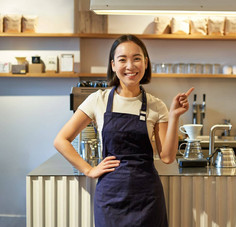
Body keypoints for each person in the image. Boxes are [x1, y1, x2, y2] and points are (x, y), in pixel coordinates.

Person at [54, 34, 194, 227]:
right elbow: (61, 140)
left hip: (147, 198)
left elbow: (167, 157)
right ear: (113, 65)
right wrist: (88, 169)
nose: (130, 66)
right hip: (110, 198)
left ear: (145, 63)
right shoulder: (98, 100)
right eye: (122, 59)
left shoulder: (156, 105)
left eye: (137, 58)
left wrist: (174, 116)